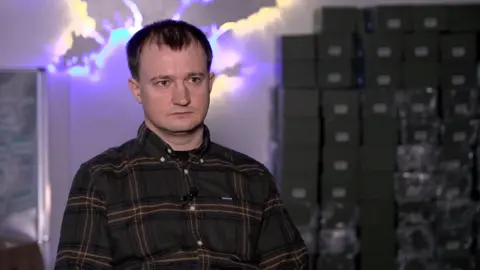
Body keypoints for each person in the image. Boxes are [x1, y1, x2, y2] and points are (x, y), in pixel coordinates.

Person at [55, 19, 308, 269]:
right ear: (137, 90)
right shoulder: (101, 178)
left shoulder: (252, 177)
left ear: (210, 83)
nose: (182, 98)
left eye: (194, 80)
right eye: (163, 83)